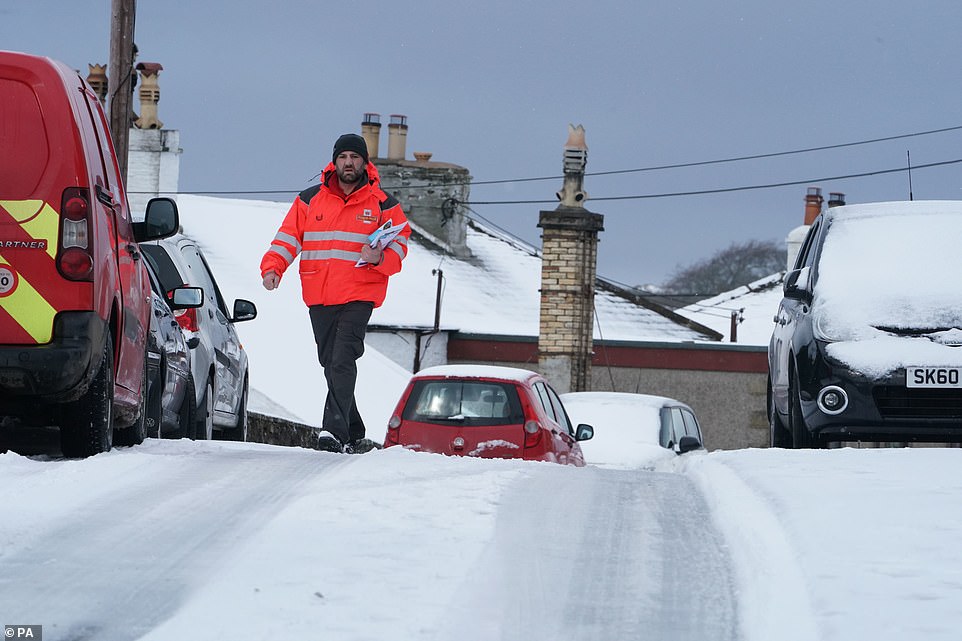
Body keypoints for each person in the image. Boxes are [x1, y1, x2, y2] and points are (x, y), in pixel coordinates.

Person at [260, 133, 410, 453]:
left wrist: (380, 258)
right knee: (330, 362)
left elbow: (400, 245)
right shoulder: (309, 199)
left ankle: (334, 432)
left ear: (364, 162)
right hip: (319, 293)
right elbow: (288, 237)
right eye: (343, 157)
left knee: (343, 359)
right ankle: (355, 429)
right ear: (334, 161)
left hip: (360, 293)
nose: (349, 163)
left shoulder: (383, 204)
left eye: (355, 157)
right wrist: (273, 268)